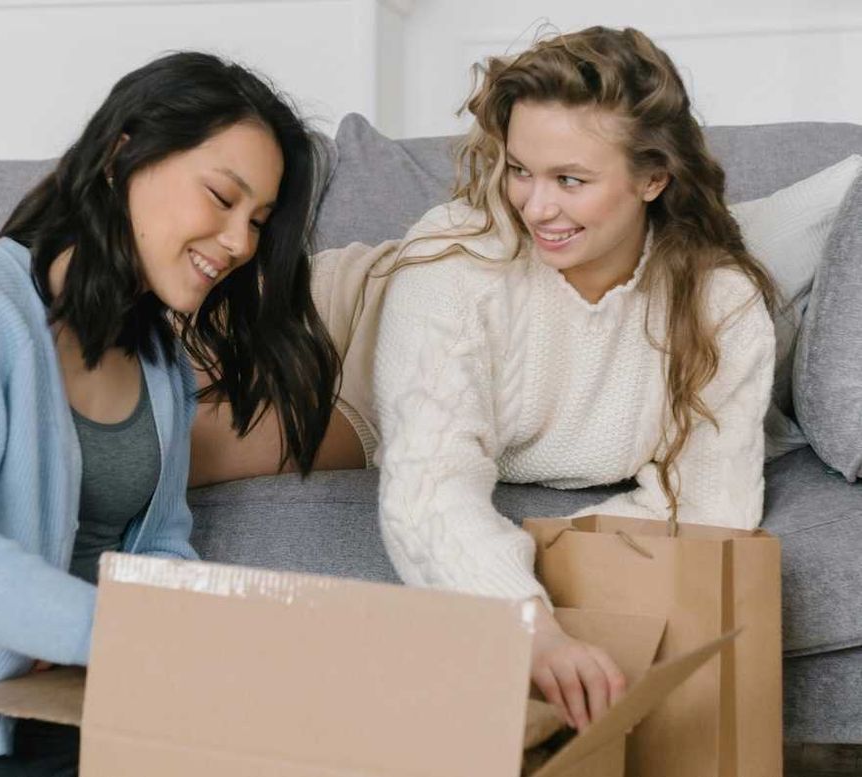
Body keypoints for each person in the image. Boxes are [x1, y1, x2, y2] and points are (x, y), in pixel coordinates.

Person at [189, 26, 778, 733]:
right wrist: (529, 623)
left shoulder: (721, 307)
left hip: (370, 410)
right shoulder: (459, 254)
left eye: (570, 180)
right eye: (520, 170)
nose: (536, 207)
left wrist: (516, 563)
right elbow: (428, 489)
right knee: (136, 432)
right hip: (321, 334)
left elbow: (711, 508)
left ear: (653, 178)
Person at [0, 51, 338, 774]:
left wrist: (214, 639)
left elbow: (158, 546)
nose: (241, 243)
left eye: (258, 221)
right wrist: (110, 635)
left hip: (74, 699)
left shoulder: (160, 364)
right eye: (222, 197)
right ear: (123, 157)